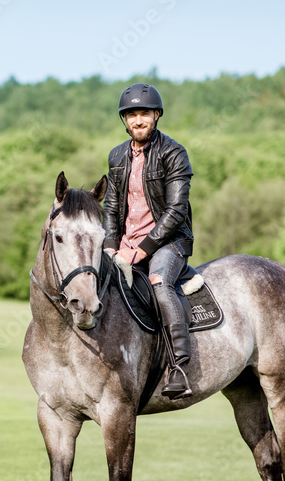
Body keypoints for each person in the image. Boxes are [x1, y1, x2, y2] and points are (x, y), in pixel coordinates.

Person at [102, 83, 195, 399]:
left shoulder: (173, 153)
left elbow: (176, 210)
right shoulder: (117, 156)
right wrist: (109, 246)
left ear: (156, 115)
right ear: (124, 120)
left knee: (159, 282)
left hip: (169, 243)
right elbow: (112, 207)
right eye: (131, 115)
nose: (138, 120)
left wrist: (142, 250)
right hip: (126, 245)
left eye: (144, 113)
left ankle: (178, 366)